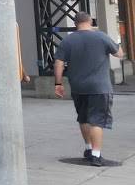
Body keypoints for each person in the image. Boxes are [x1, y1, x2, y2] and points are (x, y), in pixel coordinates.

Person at [54, 12, 126, 166]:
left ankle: (88, 149)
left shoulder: (68, 40)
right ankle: (96, 155)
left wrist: (58, 84)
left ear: (75, 24)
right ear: (91, 22)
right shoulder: (101, 36)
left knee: (84, 118)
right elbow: (120, 54)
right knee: (97, 122)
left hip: (78, 87)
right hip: (100, 87)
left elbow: (59, 63)